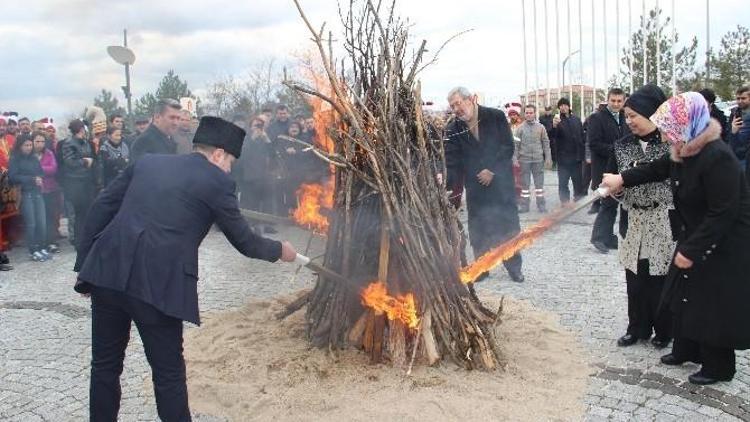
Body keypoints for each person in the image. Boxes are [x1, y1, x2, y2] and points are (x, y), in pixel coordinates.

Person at [73, 116, 299, 421]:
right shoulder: (218, 182)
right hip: (158, 285)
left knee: (104, 366)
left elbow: (102, 206)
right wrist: (280, 251)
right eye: (230, 160)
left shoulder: (150, 163)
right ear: (218, 154)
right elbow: (246, 242)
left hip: (108, 271)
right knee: (168, 374)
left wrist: (86, 265)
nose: (230, 168)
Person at [601, 92, 750, 385]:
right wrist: (621, 179)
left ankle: (718, 366)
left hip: (722, 242)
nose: (666, 134)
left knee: (711, 302)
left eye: (670, 127)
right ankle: (686, 349)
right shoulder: (684, 151)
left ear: (688, 124)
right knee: (683, 295)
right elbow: (656, 170)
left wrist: (692, 249)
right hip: (695, 234)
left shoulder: (717, 157)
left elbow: (723, 213)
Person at [612, 84, 674, 349]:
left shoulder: (671, 141)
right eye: (626, 117)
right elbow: (613, 179)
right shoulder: (622, 146)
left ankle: (663, 330)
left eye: (633, 116)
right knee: (635, 279)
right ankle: (636, 327)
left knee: (659, 277)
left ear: (651, 114)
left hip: (662, 217)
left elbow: (664, 174)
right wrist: (615, 191)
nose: (629, 122)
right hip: (633, 218)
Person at [445, 87, 524, 283]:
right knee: (479, 228)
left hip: (501, 184)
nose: (456, 109)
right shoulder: (454, 128)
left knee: (508, 226)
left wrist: (491, 169)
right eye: (452, 106)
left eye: (458, 103)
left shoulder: (495, 116)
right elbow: (453, 160)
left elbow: (507, 146)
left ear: (470, 99)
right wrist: (447, 182)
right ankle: (481, 268)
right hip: (476, 188)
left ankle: (514, 267)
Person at [589, 88, 630, 253]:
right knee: (607, 204)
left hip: (621, 168)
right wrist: (616, 150)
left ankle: (610, 237)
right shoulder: (596, 118)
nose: (616, 104)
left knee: (618, 204)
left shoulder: (625, 117)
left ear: (624, 101)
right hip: (604, 168)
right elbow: (594, 143)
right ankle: (598, 238)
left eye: (619, 101)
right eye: (613, 100)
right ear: (608, 100)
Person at [8, 134, 49, 261]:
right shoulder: (15, 159)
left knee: (42, 222)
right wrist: (31, 179)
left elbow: (41, 172)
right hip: (25, 193)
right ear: (20, 146)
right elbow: (13, 177)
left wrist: (39, 178)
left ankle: (42, 247)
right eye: (26, 145)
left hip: (37, 192)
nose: (29, 147)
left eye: (30, 145)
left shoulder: (34, 158)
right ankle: (33, 250)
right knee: (31, 223)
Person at [61, 119, 96, 249]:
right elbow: (69, 162)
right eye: (84, 128)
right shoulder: (69, 143)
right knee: (79, 214)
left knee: (88, 213)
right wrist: (85, 161)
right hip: (75, 183)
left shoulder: (85, 142)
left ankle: (87, 238)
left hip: (86, 181)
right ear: (80, 129)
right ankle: (79, 241)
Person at [514, 104, 552, 213]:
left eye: (531, 112)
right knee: (524, 185)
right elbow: (515, 145)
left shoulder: (541, 128)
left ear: (535, 113)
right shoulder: (519, 128)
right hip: (524, 160)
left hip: (538, 160)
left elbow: (546, 143)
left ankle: (541, 205)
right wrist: (515, 159)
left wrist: (548, 158)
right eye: (527, 113)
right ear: (524, 114)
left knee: (539, 185)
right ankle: (525, 206)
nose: (529, 114)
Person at [550, 98, 585, 204]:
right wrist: (554, 126)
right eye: (561, 105)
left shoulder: (576, 119)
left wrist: (583, 153)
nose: (563, 107)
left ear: (569, 106)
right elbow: (552, 136)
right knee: (563, 182)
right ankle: (564, 201)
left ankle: (578, 198)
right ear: (559, 108)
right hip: (563, 158)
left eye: (565, 105)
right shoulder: (557, 119)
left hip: (576, 157)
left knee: (578, 181)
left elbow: (582, 137)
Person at [35, 130, 61, 253]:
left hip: (50, 189)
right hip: (35, 191)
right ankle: (41, 243)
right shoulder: (29, 155)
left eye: (42, 141)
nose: (40, 144)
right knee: (39, 218)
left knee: (51, 216)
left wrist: (38, 169)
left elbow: (53, 168)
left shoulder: (49, 153)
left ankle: (51, 242)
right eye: (37, 141)